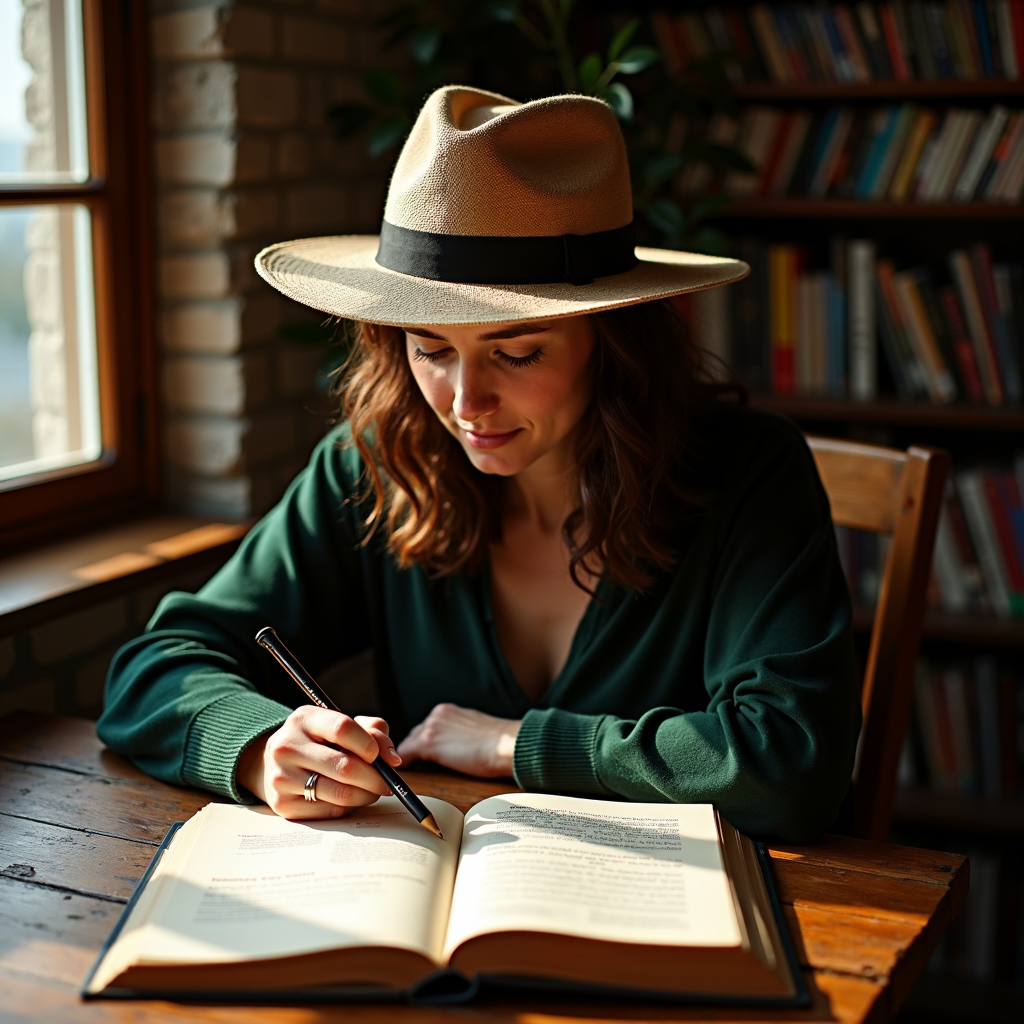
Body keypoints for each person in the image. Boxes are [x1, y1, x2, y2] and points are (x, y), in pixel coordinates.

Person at [97, 86, 860, 843]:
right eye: (430, 349)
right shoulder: (376, 469)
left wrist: (516, 743)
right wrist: (264, 747)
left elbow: (787, 767)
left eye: (516, 352)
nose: (467, 403)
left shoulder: (748, 472)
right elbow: (153, 670)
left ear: (612, 340)